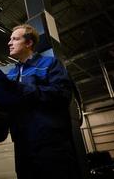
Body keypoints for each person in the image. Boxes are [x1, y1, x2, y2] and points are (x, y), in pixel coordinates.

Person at [5, 24, 81, 179]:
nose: (9, 43)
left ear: (29, 43)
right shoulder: (11, 74)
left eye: (15, 39)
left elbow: (62, 95)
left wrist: (24, 89)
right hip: (22, 145)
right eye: (10, 39)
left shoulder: (50, 64)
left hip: (51, 144)